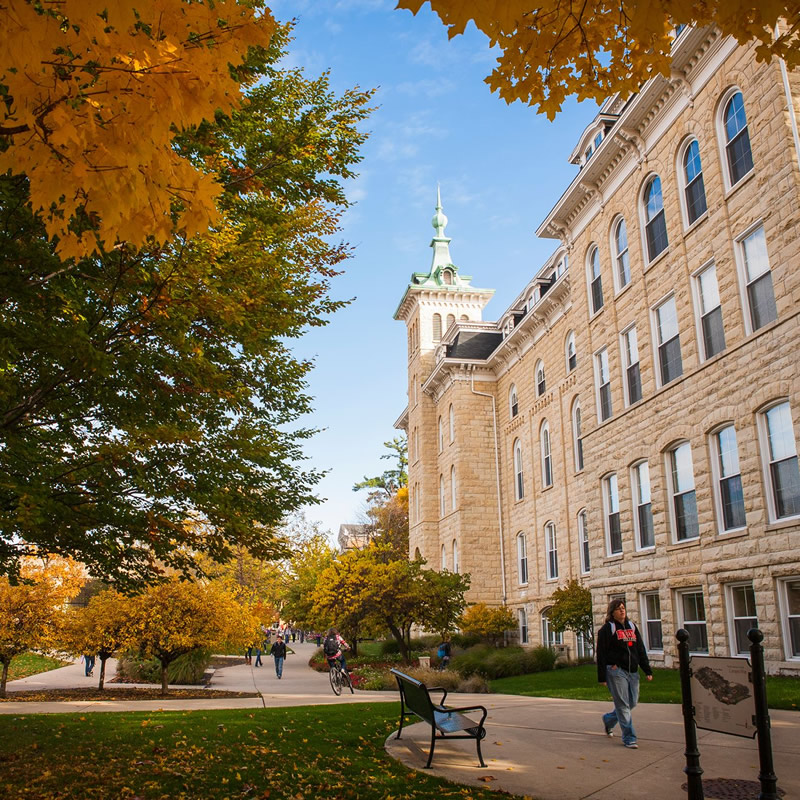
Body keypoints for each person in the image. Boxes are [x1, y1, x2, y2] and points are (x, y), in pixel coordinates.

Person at [596, 599, 653, 749]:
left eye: (623, 608)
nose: (622, 611)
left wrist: (647, 669)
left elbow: (640, 649)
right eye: (618, 609)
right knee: (622, 705)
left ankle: (608, 719)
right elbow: (601, 654)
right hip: (616, 671)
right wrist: (602, 676)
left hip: (632, 671)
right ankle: (629, 738)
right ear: (612, 612)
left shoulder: (632, 627)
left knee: (632, 702)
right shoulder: (607, 629)